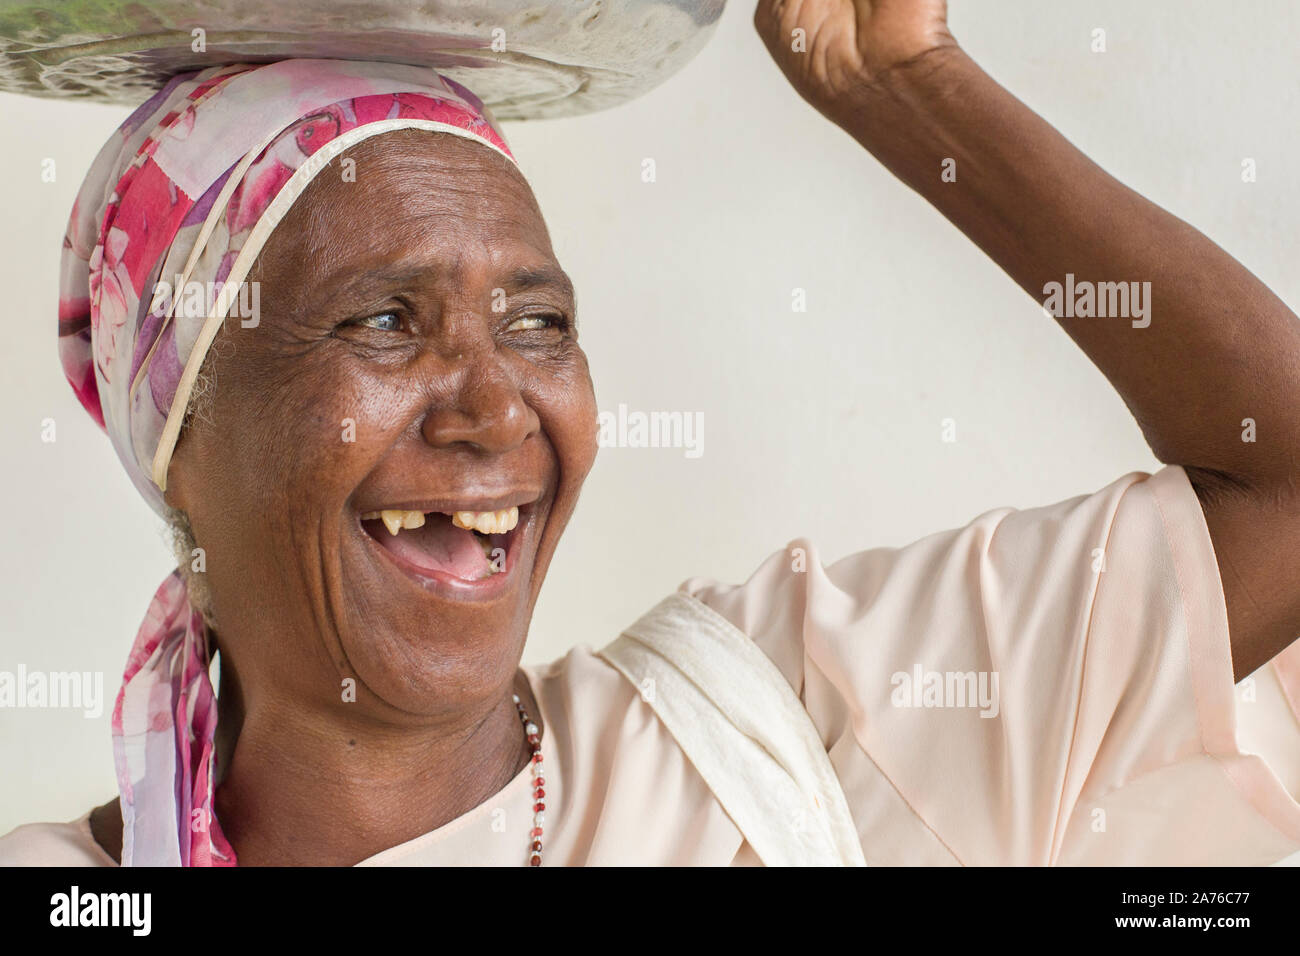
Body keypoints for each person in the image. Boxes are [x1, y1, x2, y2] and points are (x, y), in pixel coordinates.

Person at [2, 0, 1298, 866]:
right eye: (386, 321)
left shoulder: (781, 731)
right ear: (180, 434)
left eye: (540, 322)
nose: (499, 406)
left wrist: (901, 85)